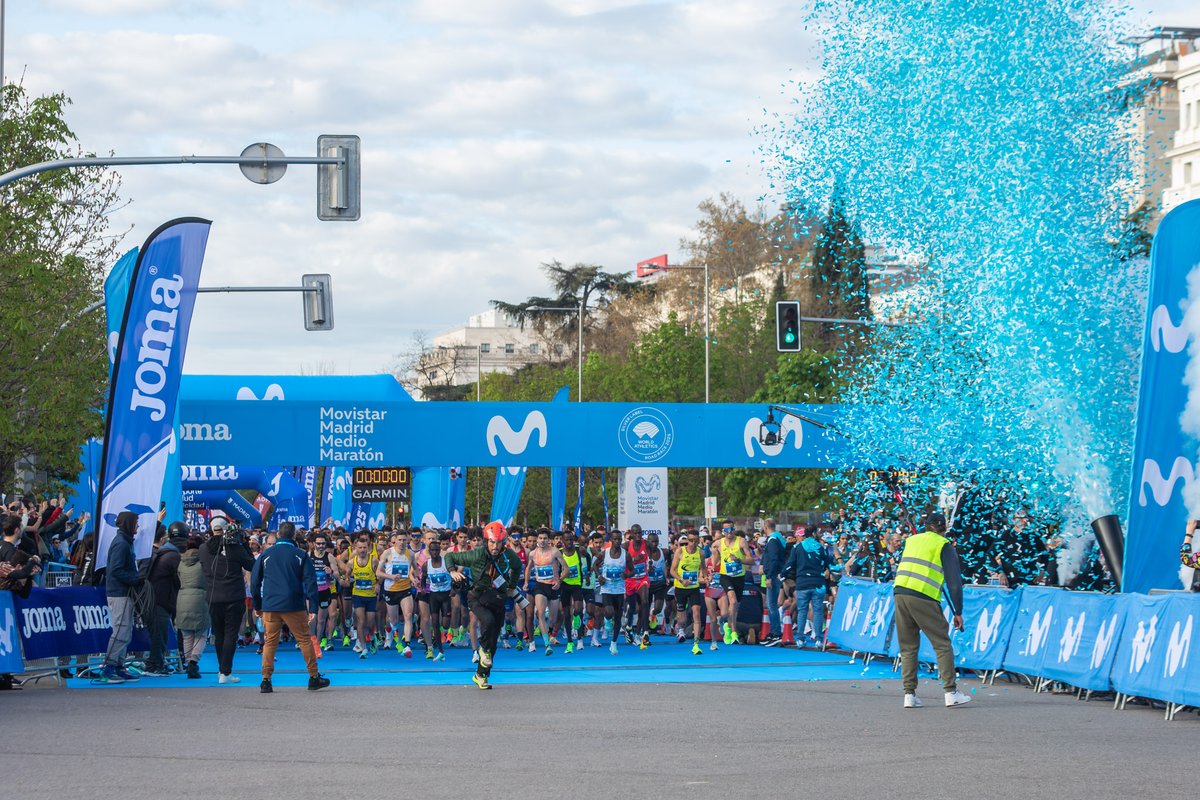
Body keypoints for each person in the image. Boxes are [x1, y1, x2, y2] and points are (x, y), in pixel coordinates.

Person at [893, 512, 971, 709]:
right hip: (924, 596)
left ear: (926, 526)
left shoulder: (912, 540)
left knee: (908, 646)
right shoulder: (944, 545)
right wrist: (958, 611)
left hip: (900, 592)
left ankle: (909, 694)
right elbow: (954, 582)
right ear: (944, 528)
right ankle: (950, 692)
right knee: (942, 643)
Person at [250, 522, 330, 693]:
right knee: (304, 640)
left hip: (270, 604)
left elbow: (255, 582)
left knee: (270, 642)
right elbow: (311, 582)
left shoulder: (266, 555)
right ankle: (313, 677)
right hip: (294, 604)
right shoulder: (300, 555)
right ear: (294, 535)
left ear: (278, 535)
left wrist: (258, 605)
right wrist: (313, 608)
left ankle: (266, 680)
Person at [444, 521, 524, 690]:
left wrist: (511, 586)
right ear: (487, 540)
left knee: (494, 639)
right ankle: (483, 650)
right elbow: (449, 556)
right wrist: (453, 572)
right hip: (477, 596)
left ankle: (480, 675)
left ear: (504, 542)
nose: (495, 546)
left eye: (498, 542)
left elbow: (517, 567)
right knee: (487, 621)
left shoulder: (508, 555)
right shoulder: (476, 554)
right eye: (492, 542)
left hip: (498, 597)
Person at [199, 517, 256, 684]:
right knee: (230, 633)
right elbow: (251, 565)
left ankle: (222, 669)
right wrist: (244, 543)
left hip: (213, 597)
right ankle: (225, 671)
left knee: (219, 634)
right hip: (233, 596)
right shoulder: (235, 548)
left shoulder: (203, 548)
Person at [97, 511, 142, 684]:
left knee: (125, 630)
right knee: (121, 630)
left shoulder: (125, 542)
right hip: (119, 593)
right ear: (129, 524)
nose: (138, 526)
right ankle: (109, 667)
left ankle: (118, 666)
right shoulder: (121, 544)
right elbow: (115, 569)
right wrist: (135, 580)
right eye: (136, 522)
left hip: (123, 592)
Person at [143, 522, 186, 676]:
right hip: (161, 599)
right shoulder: (172, 556)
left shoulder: (160, 553)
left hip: (153, 598)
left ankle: (156, 663)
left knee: (159, 633)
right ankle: (154, 665)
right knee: (160, 634)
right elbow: (179, 579)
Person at [782, 528, 832, 648]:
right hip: (818, 583)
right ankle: (819, 639)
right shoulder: (820, 547)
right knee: (818, 611)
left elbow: (790, 564)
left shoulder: (797, 548)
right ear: (814, 535)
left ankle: (800, 638)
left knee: (802, 610)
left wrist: (783, 574)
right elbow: (828, 563)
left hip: (802, 583)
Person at [523, 529, 566, 655]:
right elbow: (528, 568)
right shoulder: (532, 554)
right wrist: (526, 582)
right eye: (540, 538)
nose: (542, 541)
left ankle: (551, 632)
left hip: (553, 587)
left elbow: (566, 568)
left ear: (549, 540)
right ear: (537, 539)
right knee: (540, 613)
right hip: (540, 586)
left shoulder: (555, 552)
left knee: (552, 618)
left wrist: (559, 580)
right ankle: (547, 644)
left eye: (545, 538)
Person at [377, 530, 416, 656]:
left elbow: (415, 569)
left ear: (407, 541)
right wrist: (391, 576)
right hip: (391, 590)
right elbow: (378, 572)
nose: (402, 542)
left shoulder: (410, 554)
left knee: (408, 615)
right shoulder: (387, 553)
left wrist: (414, 578)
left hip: (405, 589)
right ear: (395, 541)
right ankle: (391, 633)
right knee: (393, 620)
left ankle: (407, 645)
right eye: (399, 540)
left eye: (404, 540)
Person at [174, 535, 208, 679]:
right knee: (201, 634)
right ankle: (194, 661)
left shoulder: (180, 562)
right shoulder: (203, 562)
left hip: (182, 597)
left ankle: (188, 662)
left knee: (186, 635)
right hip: (200, 597)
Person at [415, 532, 453, 661]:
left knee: (445, 623)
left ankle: (447, 631)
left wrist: (454, 589)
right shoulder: (427, 564)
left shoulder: (446, 562)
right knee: (434, 623)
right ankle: (440, 650)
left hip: (446, 595)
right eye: (433, 550)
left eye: (437, 550)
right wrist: (422, 588)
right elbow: (423, 577)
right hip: (434, 596)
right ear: (429, 551)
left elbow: (455, 577)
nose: (435, 552)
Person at [711, 521, 750, 645]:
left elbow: (751, 560)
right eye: (726, 530)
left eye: (731, 529)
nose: (729, 532)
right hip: (725, 577)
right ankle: (733, 632)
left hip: (739, 577)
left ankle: (726, 624)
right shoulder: (718, 544)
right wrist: (714, 558)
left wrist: (739, 560)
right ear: (723, 532)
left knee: (735, 606)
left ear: (734, 529)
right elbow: (715, 563)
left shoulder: (742, 541)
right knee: (732, 601)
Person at [670, 529, 707, 655]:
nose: (692, 543)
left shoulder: (701, 553)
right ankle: (680, 629)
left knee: (697, 613)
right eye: (690, 540)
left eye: (695, 541)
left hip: (694, 587)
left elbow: (703, 567)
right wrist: (681, 579)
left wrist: (706, 577)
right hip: (681, 587)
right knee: (683, 619)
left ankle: (696, 644)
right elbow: (672, 570)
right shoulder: (680, 551)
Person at [599, 532, 630, 655]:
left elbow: (632, 570)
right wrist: (599, 576)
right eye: (615, 539)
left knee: (618, 616)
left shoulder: (626, 555)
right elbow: (595, 565)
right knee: (609, 612)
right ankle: (606, 619)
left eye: (619, 539)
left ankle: (614, 643)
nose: (617, 541)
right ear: (610, 540)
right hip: (607, 588)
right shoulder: (605, 553)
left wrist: (627, 575)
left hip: (619, 589)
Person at [762, 520, 787, 645]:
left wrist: (769, 576)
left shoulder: (772, 540)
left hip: (773, 575)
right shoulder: (779, 538)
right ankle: (774, 631)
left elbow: (773, 559)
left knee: (771, 605)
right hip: (776, 573)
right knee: (771, 604)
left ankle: (776, 632)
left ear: (766, 527)